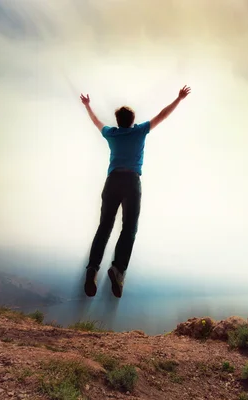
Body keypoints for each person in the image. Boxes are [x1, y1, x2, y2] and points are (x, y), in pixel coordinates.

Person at [80, 85, 192, 298]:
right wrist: (179, 99)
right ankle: (118, 269)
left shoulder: (111, 133)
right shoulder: (140, 131)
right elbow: (162, 115)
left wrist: (88, 106)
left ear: (118, 121)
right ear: (132, 121)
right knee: (129, 228)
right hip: (131, 181)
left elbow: (96, 122)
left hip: (112, 181)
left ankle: (92, 268)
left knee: (104, 226)